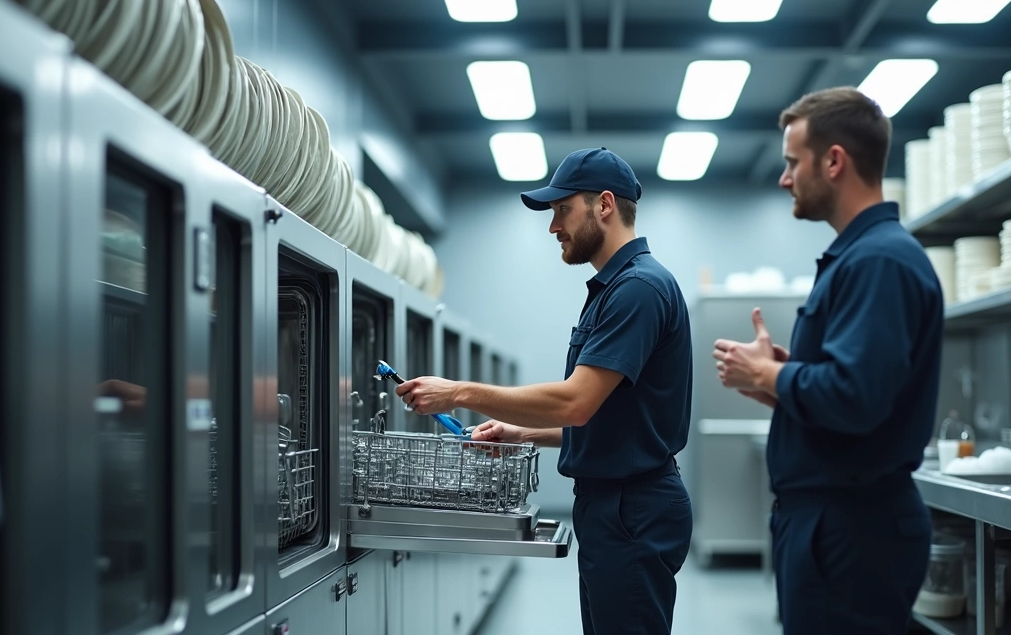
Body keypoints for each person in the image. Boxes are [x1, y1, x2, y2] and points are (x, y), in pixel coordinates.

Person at [395, 147, 694, 635]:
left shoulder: (638, 288)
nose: (553, 226)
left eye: (562, 210)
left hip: (631, 510)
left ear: (604, 205)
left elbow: (576, 402)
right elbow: (610, 418)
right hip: (617, 505)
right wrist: (520, 433)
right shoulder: (617, 288)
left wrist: (458, 392)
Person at [713, 87, 944, 634]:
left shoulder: (879, 261)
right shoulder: (859, 257)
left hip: (852, 530)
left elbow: (855, 398)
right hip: (836, 524)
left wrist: (770, 372)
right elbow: (856, 391)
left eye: (793, 162)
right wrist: (779, 382)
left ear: (834, 161)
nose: (784, 178)